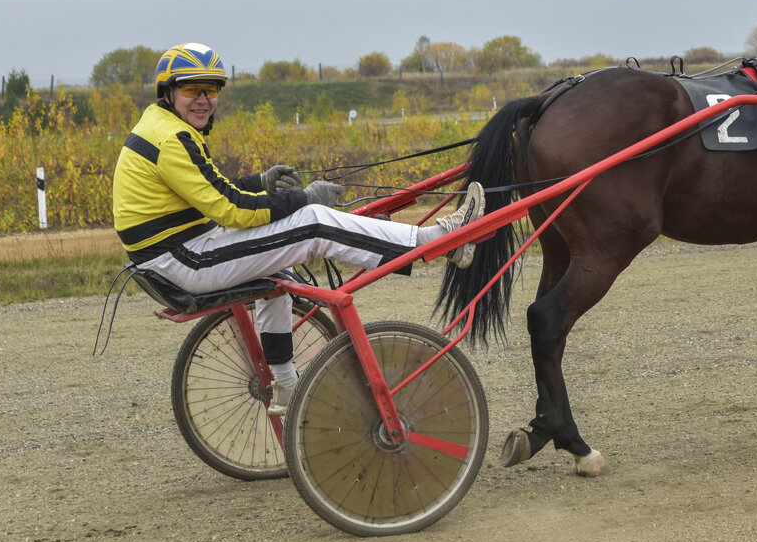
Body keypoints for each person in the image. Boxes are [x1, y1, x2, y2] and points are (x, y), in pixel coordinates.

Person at [112, 42, 485, 415]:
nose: (204, 99)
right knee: (314, 224)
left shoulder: (164, 125)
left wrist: (260, 182)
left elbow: (209, 188)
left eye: (211, 90)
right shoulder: (171, 138)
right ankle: (437, 242)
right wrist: (306, 199)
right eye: (194, 89)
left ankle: (286, 386)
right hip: (183, 260)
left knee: (277, 264)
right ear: (169, 91)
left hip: (173, 253)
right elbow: (230, 209)